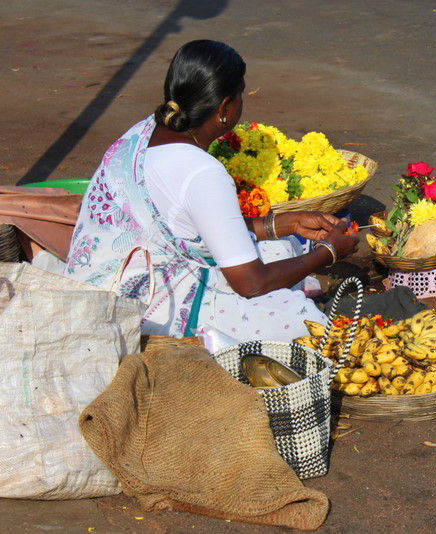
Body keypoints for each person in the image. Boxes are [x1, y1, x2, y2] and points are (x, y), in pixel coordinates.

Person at [65, 40, 358, 341]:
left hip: (102, 281)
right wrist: (330, 252)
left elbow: (199, 226)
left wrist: (286, 223)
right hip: (140, 307)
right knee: (302, 321)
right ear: (225, 109)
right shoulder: (202, 172)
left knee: (279, 247)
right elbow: (251, 284)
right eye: (241, 93)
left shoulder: (141, 133)